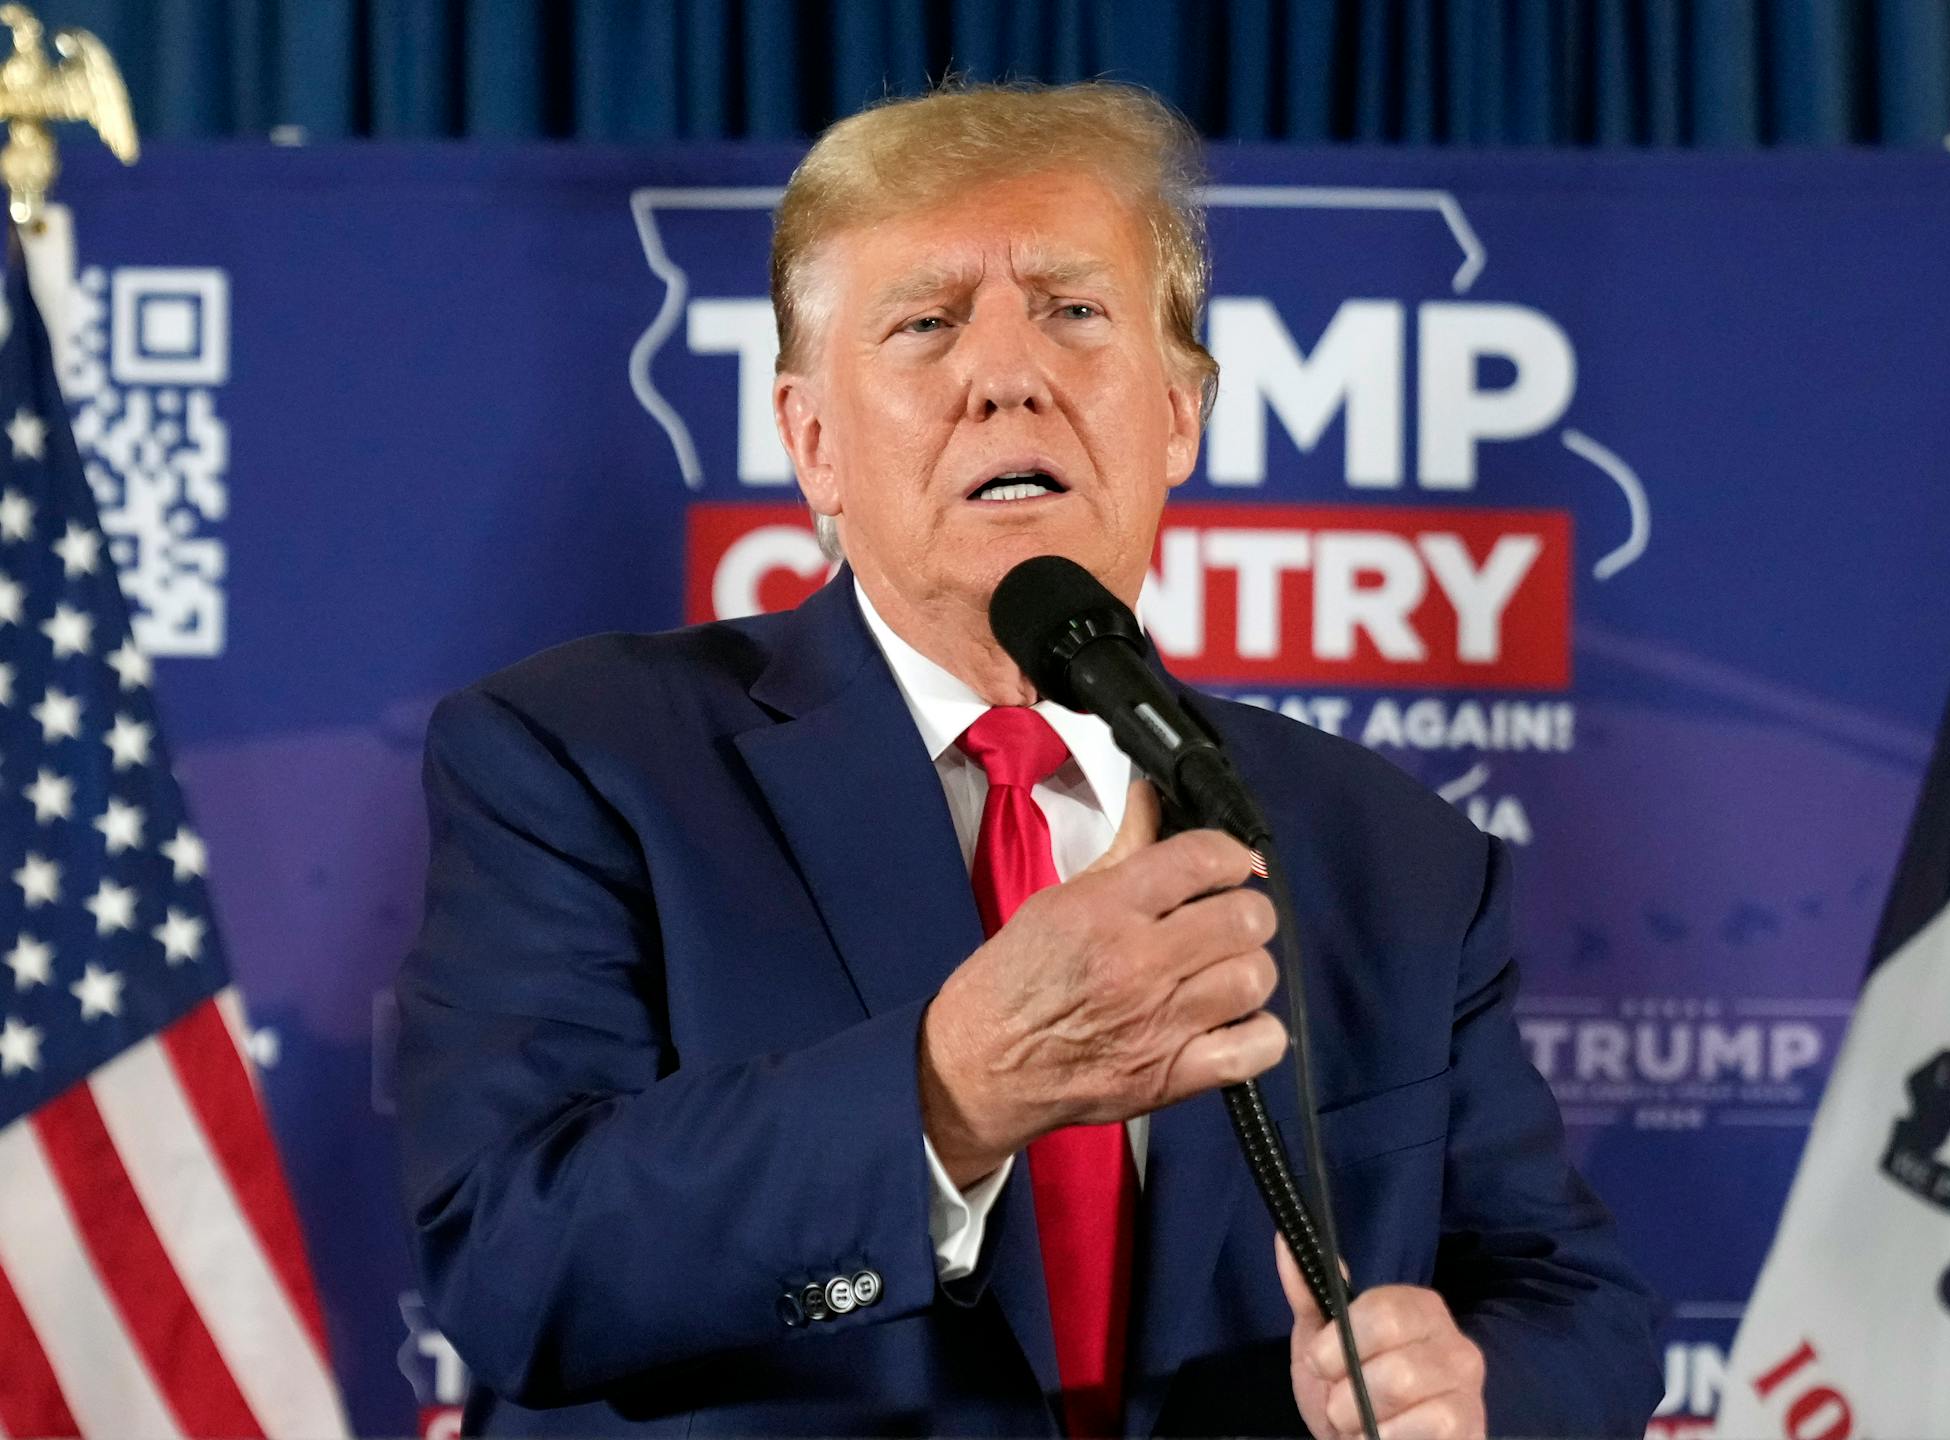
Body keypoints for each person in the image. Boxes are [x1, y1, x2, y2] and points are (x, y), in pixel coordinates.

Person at [397, 80, 1662, 1439]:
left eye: (1072, 311)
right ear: (813, 440)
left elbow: (1567, 1298)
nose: (1008, 376)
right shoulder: (583, 764)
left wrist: (1477, 1393)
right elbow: (513, 1266)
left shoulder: (1398, 857)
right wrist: (947, 1095)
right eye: (928, 324)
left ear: (1179, 416)